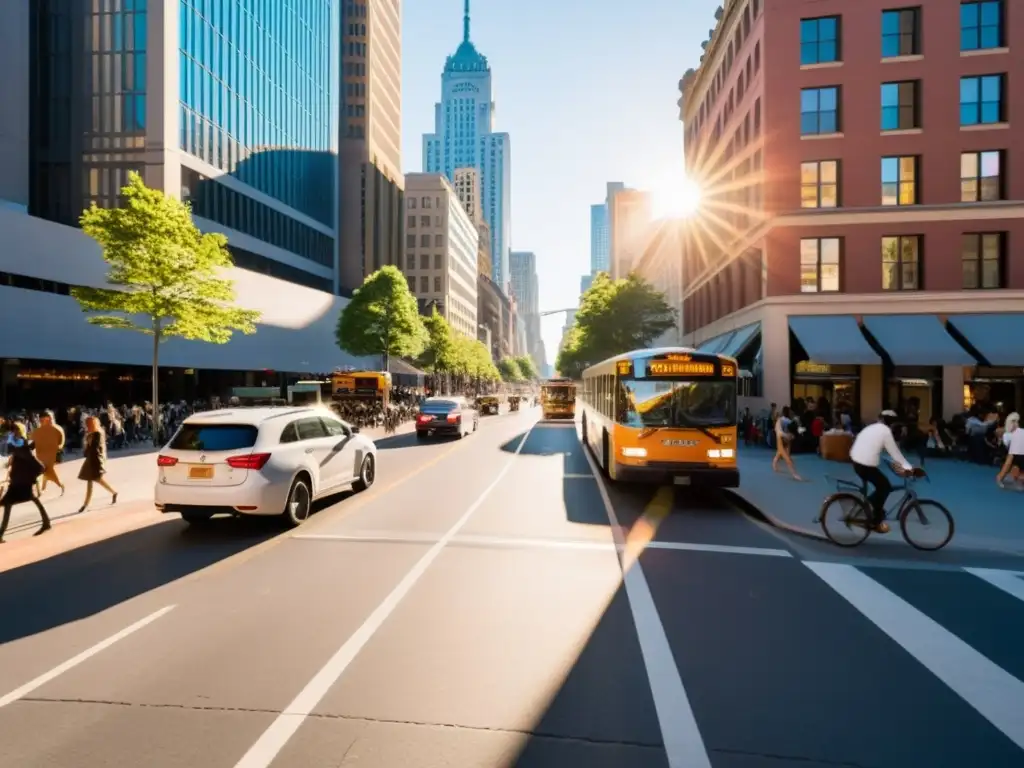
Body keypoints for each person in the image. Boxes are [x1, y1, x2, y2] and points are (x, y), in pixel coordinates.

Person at [849, 410, 914, 534]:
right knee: (885, 487)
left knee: (882, 485)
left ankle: (874, 509)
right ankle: (875, 519)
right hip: (863, 464)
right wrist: (908, 467)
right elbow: (894, 452)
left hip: (860, 462)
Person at [0, 422, 51, 542]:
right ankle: (46, 522)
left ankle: (46, 522)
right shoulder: (16, 444)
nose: (14, 432)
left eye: (17, 430)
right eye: (13, 430)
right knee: (9, 503)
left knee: (29, 499)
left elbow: (35, 462)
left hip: (23, 481)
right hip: (17, 480)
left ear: (22, 431)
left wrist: (34, 475)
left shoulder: (23, 445)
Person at [77, 416, 118, 514]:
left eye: (90, 424)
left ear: (94, 424)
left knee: (95, 480)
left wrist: (88, 447)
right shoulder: (90, 434)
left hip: (96, 460)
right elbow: (88, 449)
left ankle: (85, 504)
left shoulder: (97, 434)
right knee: (95, 481)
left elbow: (96, 449)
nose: (88, 425)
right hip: (90, 460)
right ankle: (113, 493)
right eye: (87, 424)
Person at [30, 409, 66, 496]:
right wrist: (28, 448)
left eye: (44, 419)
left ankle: (60, 485)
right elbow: (35, 443)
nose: (42, 421)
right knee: (45, 472)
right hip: (42, 455)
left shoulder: (57, 429)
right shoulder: (40, 430)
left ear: (50, 419)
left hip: (53, 455)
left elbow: (61, 442)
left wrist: (57, 448)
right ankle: (43, 489)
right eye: (41, 420)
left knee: (47, 472)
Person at [772, 405, 803, 481]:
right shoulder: (780, 420)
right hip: (781, 439)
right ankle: (794, 474)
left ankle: (774, 464)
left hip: (786, 439)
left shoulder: (789, 420)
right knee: (786, 457)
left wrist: (795, 433)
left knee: (780, 453)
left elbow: (797, 430)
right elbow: (779, 432)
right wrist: (787, 435)